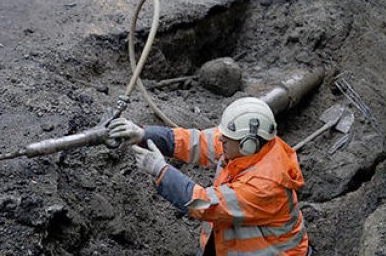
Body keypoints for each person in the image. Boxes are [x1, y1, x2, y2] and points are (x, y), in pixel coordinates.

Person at [109, 97, 311, 255]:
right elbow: (196, 142)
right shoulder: (245, 147)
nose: (220, 137)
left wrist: (160, 170)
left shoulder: (264, 185)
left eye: (227, 138)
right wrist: (144, 135)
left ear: (248, 144)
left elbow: (204, 205)